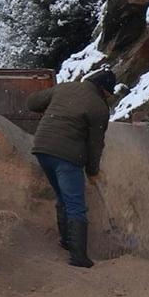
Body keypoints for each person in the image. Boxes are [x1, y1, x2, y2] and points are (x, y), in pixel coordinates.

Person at [26, 69, 117, 268]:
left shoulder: (65, 87)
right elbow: (95, 145)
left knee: (62, 196)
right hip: (67, 156)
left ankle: (66, 241)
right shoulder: (99, 108)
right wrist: (93, 171)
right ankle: (78, 257)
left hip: (42, 148)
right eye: (109, 94)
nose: (109, 98)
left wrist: (51, 107)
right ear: (104, 91)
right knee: (75, 203)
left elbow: (32, 102)